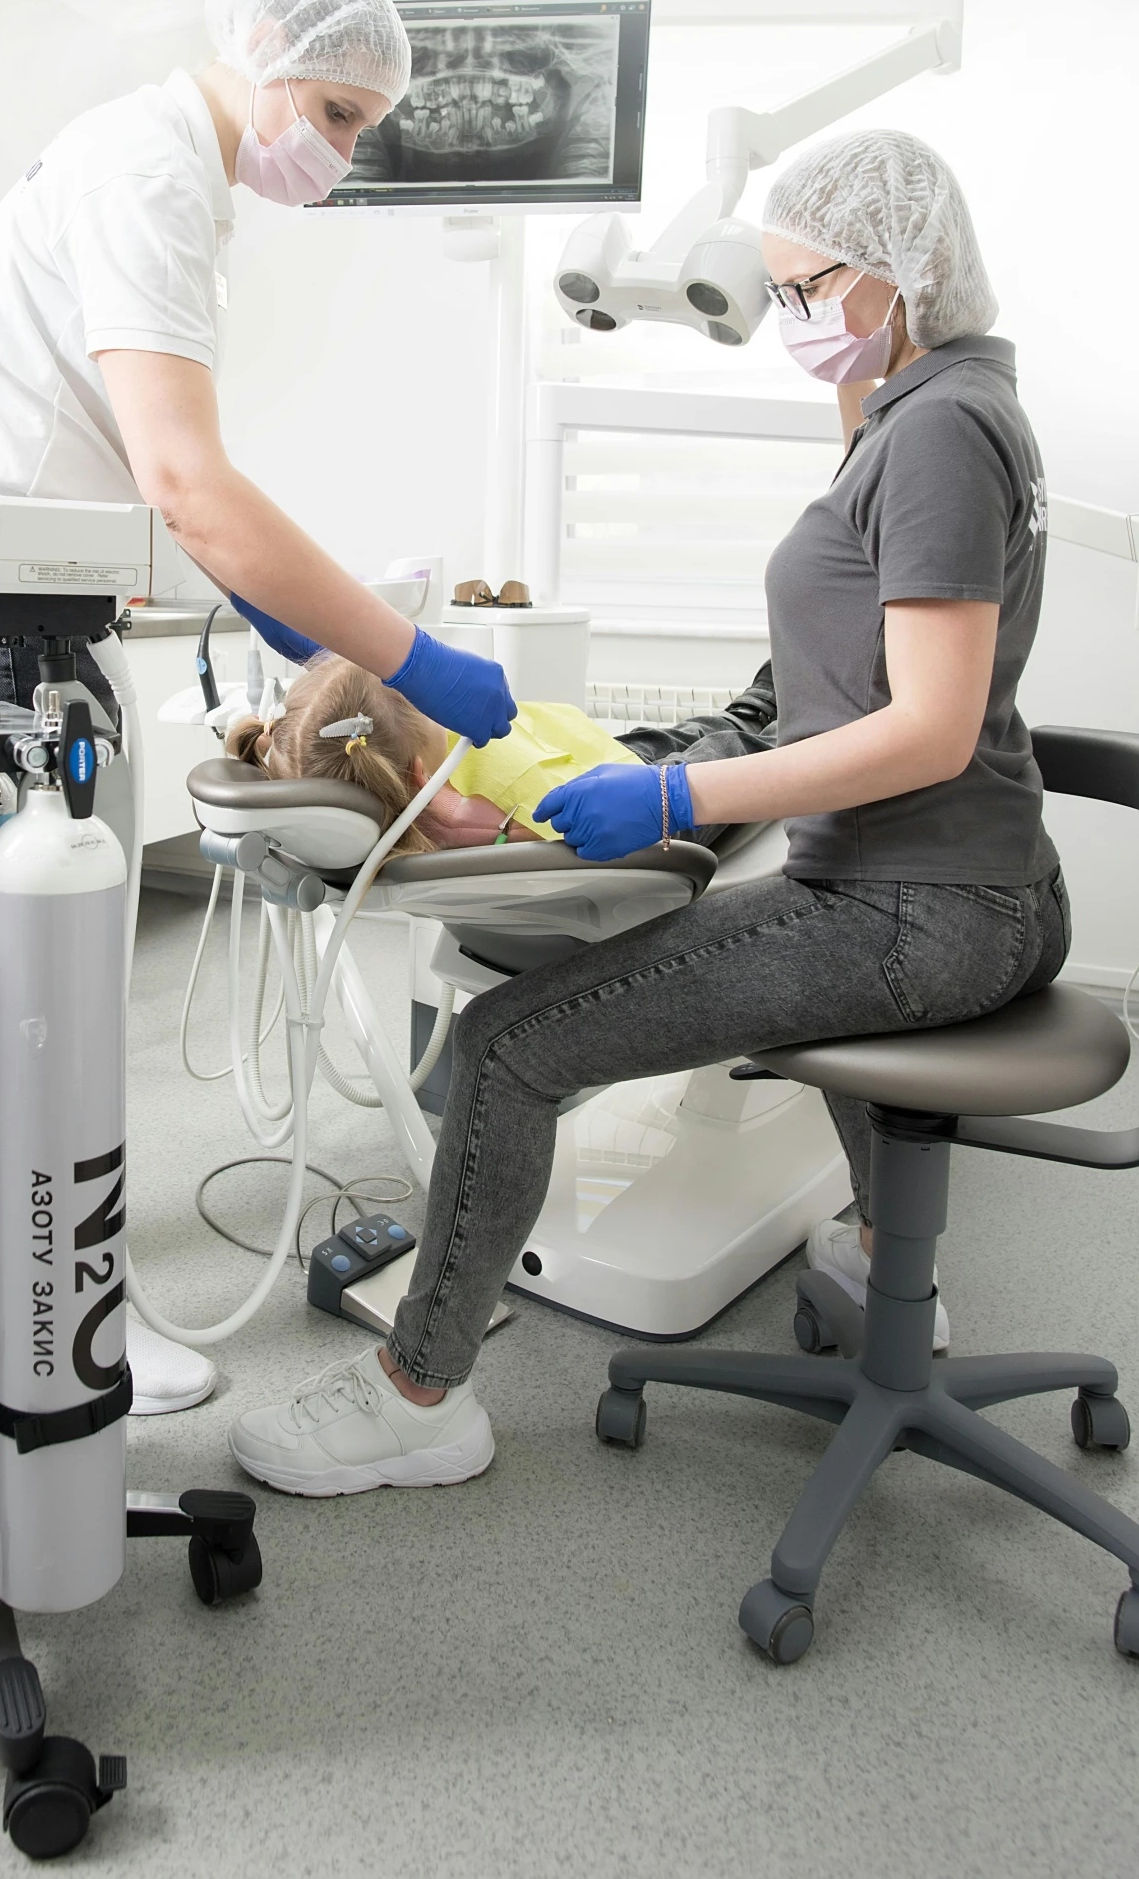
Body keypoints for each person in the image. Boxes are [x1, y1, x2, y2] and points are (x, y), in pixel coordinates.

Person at [229, 128, 1070, 1498]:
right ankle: (876, 1263)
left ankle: (417, 1395)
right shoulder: (942, 406)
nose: (790, 318)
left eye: (805, 293)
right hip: (983, 889)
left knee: (507, 1049)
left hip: (915, 908)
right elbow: (847, 653)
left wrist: (679, 793)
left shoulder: (940, 434)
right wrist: (692, 755)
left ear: (897, 277)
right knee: (801, 979)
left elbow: (923, 726)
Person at [0, 0, 516, 1416]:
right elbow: (188, 482)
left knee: (10, 981)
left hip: (20, 598)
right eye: (338, 113)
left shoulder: (161, 176)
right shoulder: (148, 169)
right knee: (28, 987)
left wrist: (300, 618)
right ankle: (58, 1314)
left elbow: (178, 487)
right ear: (265, 55)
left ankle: (21, 1300)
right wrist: (408, 660)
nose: (340, 151)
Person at [224, 651, 645, 851]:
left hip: (589, 749)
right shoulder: (521, 786)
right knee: (711, 734)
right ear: (421, 775)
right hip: (635, 779)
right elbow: (631, 822)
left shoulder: (402, 814)